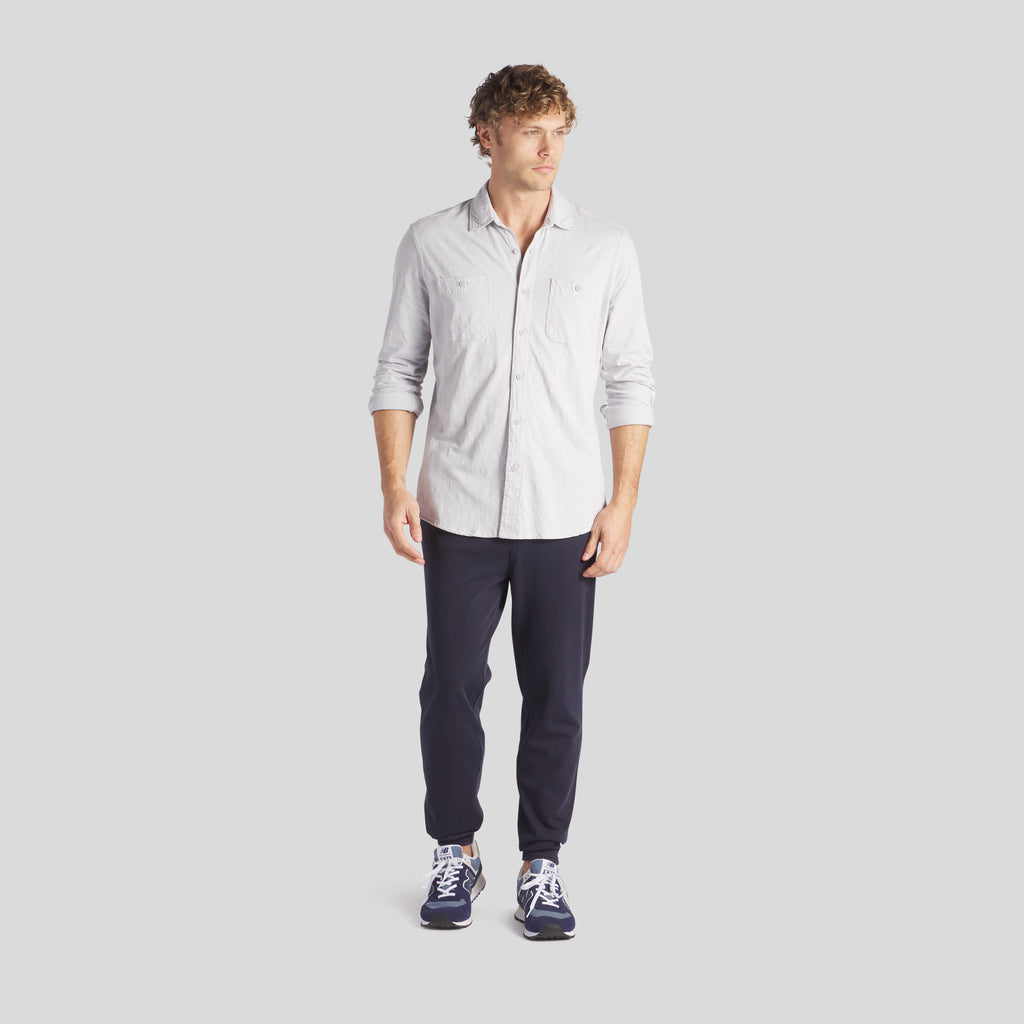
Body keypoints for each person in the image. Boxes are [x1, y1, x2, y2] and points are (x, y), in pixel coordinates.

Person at [368, 64, 655, 940]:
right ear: (486, 136)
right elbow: (399, 369)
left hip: (565, 517)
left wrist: (623, 503)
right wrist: (393, 484)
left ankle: (542, 863)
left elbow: (630, 379)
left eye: (560, 130)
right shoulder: (431, 242)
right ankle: (454, 847)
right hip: (457, 510)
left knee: (558, 695)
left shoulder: (605, 248)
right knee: (450, 688)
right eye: (532, 130)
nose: (549, 148)